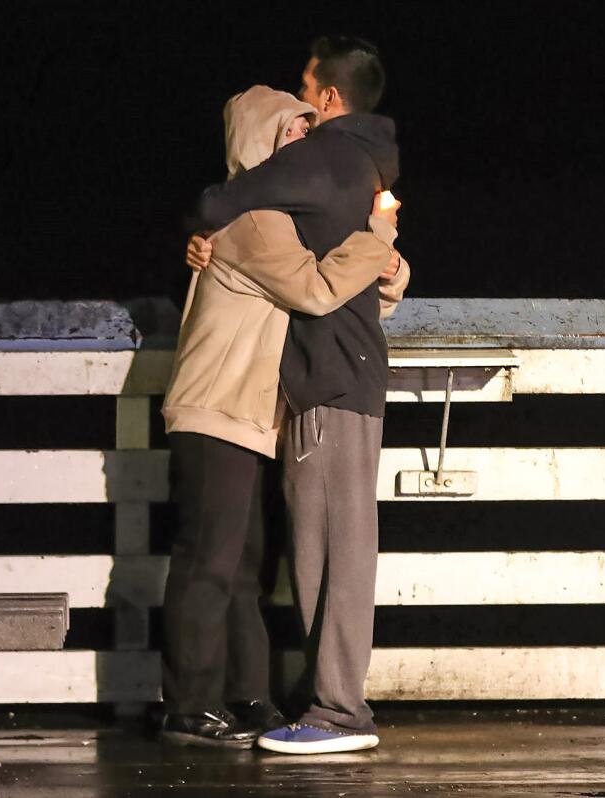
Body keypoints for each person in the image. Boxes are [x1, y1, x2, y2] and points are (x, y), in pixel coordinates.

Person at [159, 84, 409, 748]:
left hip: (248, 413)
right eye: (292, 133)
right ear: (259, 140)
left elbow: (337, 286)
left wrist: (389, 268)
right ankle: (187, 705)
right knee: (210, 559)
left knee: (244, 564)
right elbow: (318, 287)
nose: (306, 144)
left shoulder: (275, 215)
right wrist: (380, 231)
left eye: (309, 129)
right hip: (218, 408)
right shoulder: (253, 220)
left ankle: (247, 696)